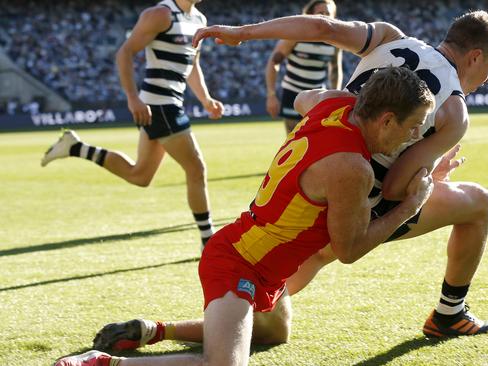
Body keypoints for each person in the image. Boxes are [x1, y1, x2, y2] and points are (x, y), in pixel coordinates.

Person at [90, 10, 488, 351]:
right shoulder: (454, 110)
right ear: (474, 56)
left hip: (311, 181)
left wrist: (243, 30)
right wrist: (430, 179)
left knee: (270, 315)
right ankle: (449, 314)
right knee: (479, 202)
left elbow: (320, 30)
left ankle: (159, 330)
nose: (487, 78)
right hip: (355, 199)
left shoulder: (388, 37)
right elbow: (398, 187)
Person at [55, 67, 436, 366]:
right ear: (386, 120)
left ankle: (153, 330)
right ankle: (102, 363)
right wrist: (410, 206)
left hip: (262, 262)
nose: (414, 135)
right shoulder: (353, 168)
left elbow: (305, 98)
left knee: (274, 333)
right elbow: (349, 249)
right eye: (412, 125)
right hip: (238, 263)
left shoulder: (335, 108)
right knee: (222, 364)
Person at [41, 0, 225, 248]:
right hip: (159, 105)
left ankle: (75, 147)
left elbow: (193, 65)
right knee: (196, 169)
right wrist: (132, 97)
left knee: (140, 175)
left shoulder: (199, 20)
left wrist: (205, 99)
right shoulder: (160, 14)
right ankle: (208, 241)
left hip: (170, 104)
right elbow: (124, 53)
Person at [265, 0, 342, 134]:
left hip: (318, 96)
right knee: (295, 140)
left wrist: (336, 96)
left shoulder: (335, 42)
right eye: (320, 13)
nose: (324, 16)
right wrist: (271, 94)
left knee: (318, 140)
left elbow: (335, 70)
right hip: (293, 95)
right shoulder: (296, 35)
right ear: (310, 15)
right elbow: (274, 62)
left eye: (327, 13)